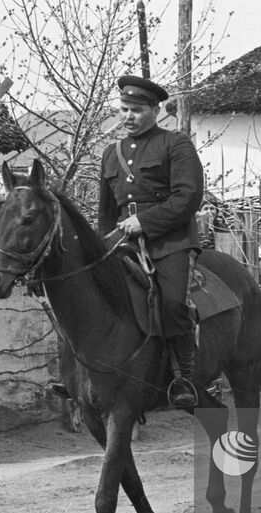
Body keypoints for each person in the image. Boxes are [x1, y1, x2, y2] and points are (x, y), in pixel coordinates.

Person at [97, 75, 205, 407]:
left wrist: (143, 222)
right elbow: (105, 211)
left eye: (136, 110)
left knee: (172, 304)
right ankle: (85, 374)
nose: (128, 116)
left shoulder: (176, 144)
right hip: (122, 242)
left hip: (169, 241)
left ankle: (183, 378)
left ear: (155, 110)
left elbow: (189, 198)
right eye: (124, 109)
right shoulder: (110, 154)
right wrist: (101, 247)